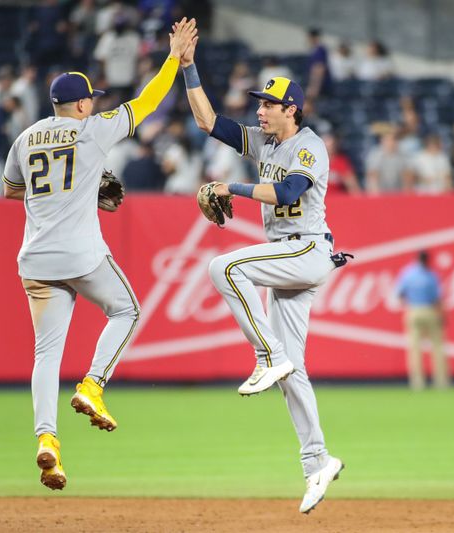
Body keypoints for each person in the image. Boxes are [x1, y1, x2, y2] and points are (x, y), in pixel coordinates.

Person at [1, 17, 197, 492]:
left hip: (36, 259)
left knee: (45, 354)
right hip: (80, 255)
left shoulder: (25, 138)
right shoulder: (93, 130)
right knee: (127, 310)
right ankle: (92, 385)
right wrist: (173, 58)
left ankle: (48, 440)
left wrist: (75, 188)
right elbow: (148, 102)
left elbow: (12, 192)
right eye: (92, 99)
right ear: (83, 103)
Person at [178, 30, 345, 514]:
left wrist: (230, 187)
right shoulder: (265, 143)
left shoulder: (309, 146)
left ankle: (265, 353)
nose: (260, 109)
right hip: (287, 257)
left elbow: (290, 193)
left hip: (307, 251)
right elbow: (208, 121)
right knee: (295, 371)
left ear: (291, 108)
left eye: (269, 103)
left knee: (223, 266)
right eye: (259, 102)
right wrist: (188, 65)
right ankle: (318, 461)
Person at [396, 250, 450, 391]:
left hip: (413, 310)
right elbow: (437, 298)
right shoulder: (431, 275)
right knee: (437, 348)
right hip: (430, 311)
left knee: (414, 349)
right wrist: (442, 315)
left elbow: (400, 294)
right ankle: (441, 382)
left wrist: (408, 307)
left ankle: (417, 382)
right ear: (427, 260)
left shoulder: (407, 273)